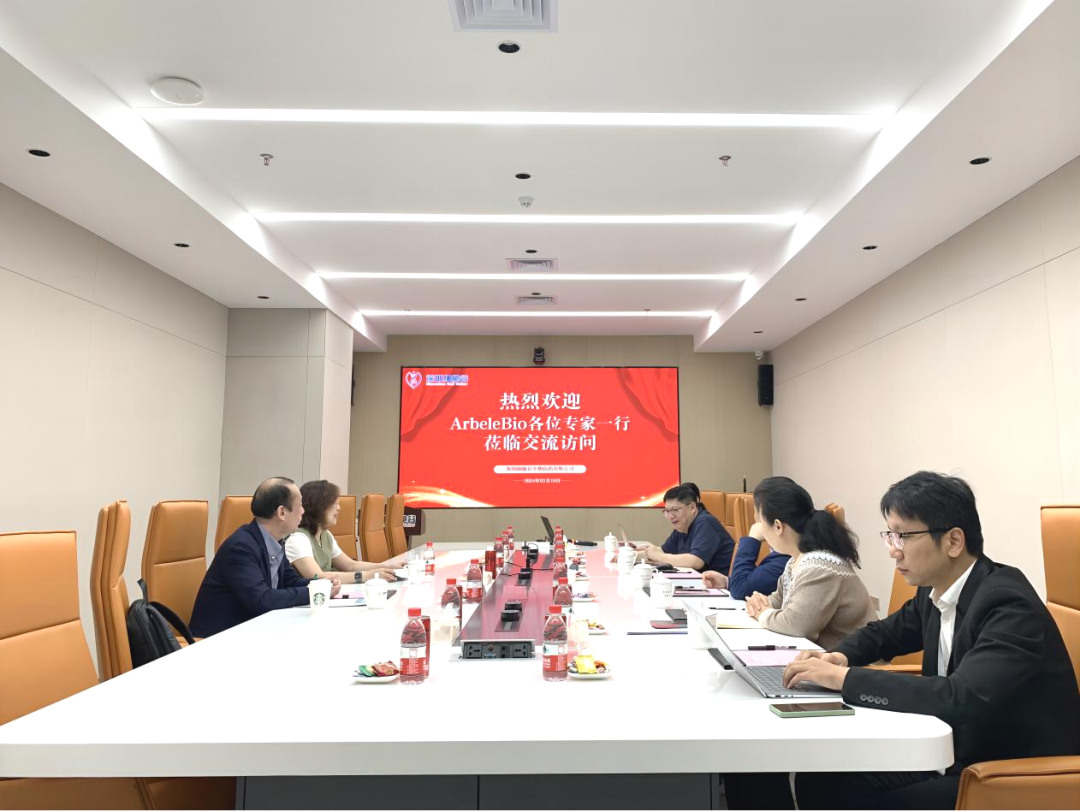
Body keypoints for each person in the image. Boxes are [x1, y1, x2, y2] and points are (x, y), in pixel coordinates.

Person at [785, 472, 1080, 811]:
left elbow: (961, 696)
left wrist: (845, 679)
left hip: (1005, 772)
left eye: (903, 536)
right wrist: (838, 656)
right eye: (890, 535)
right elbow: (886, 634)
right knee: (820, 778)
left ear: (953, 541)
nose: (894, 551)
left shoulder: (1007, 603)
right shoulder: (935, 589)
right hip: (950, 749)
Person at [190, 477, 340, 637]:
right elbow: (262, 600)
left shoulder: (275, 541)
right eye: (300, 505)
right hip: (218, 638)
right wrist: (314, 593)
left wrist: (321, 585)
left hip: (254, 629)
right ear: (282, 512)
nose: (303, 511)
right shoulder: (241, 547)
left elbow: (290, 580)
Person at [740, 477, 876, 649]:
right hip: (827, 657)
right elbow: (779, 601)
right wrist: (759, 604)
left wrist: (763, 614)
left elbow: (797, 625)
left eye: (759, 521)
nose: (758, 528)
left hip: (855, 662)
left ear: (778, 526)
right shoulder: (796, 561)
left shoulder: (818, 566)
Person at [284, 479, 399, 583]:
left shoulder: (326, 535)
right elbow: (317, 576)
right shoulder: (297, 539)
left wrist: (387, 567)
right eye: (335, 503)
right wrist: (367, 576)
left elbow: (350, 565)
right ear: (319, 505)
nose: (339, 508)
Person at [635, 484, 735, 573]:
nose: (670, 516)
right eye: (667, 511)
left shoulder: (705, 522)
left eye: (675, 510)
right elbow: (663, 551)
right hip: (701, 580)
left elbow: (695, 561)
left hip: (722, 584)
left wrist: (658, 556)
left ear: (692, 508)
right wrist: (632, 555)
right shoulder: (682, 526)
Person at [702, 521, 790, 599]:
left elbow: (739, 588)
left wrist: (753, 538)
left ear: (777, 526)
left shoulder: (785, 557)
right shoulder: (783, 555)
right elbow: (755, 582)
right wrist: (728, 582)